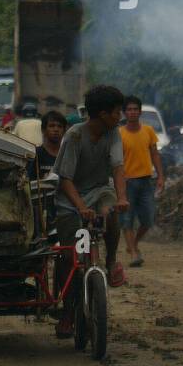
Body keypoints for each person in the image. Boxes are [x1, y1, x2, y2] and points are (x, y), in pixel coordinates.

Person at [52, 85, 130, 338]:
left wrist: (122, 197)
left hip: (99, 191)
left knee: (111, 211)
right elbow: (65, 179)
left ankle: (110, 260)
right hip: (71, 198)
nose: (120, 117)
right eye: (117, 112)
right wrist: (81, 207)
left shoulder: (113, 133)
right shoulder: (74, 136)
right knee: (70, 258)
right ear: (103, 114)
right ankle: (67, 313)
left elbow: (118, 167)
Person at [118, 95, 164, 268]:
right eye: (129, 109)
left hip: (146, 181)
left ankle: (134, 244)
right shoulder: (119, 134)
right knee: (127, 219)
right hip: (127, 182)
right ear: (124, 113)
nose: (132, 112)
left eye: (135, 109)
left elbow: (155, 154)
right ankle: (133, 253)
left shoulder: (148, 131)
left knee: (148, 219)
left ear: (140, 111)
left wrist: (160, 176)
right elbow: (115, 160)